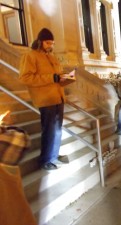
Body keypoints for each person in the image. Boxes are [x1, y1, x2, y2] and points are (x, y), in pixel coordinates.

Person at [19, 28, 70, 170]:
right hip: (46, 99)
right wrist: (52, 78)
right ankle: (46, 160)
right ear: (40, 42)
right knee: (49, 130)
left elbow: (57, 77)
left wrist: (65, 78)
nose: (51, 46)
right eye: (48, 43)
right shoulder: (30, 56)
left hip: (58, 98)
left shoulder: (52, 57)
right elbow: (25, 78)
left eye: (52, 43)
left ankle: (53, 155)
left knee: (58, 129)